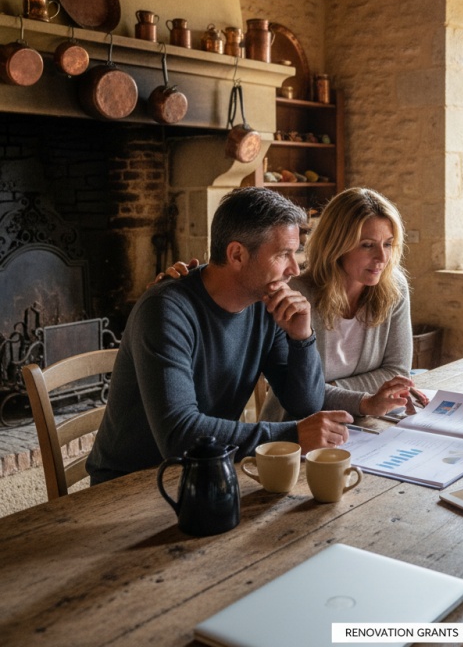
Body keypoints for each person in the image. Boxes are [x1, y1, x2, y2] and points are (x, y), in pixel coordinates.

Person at [87, 188, 353, 485]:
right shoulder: (165, 310)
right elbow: (178, 434)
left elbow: (305, 405)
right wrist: (292, 434)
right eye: (283, 254)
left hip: (209, 470)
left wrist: (302, 337)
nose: (294, 269)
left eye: (296, 253)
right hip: (132, 484)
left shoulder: (266, 305)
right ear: (237, 254)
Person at [261, 186, 426, 422]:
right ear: (336, 245)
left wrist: (328, 388)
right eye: (367, 245)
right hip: (295, 429)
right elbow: (300, 396)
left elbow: (397, 372)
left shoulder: (394, 286)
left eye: (388, 244)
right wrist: (363, 399)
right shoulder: (296, 295)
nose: (382, 258)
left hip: (364, 423)